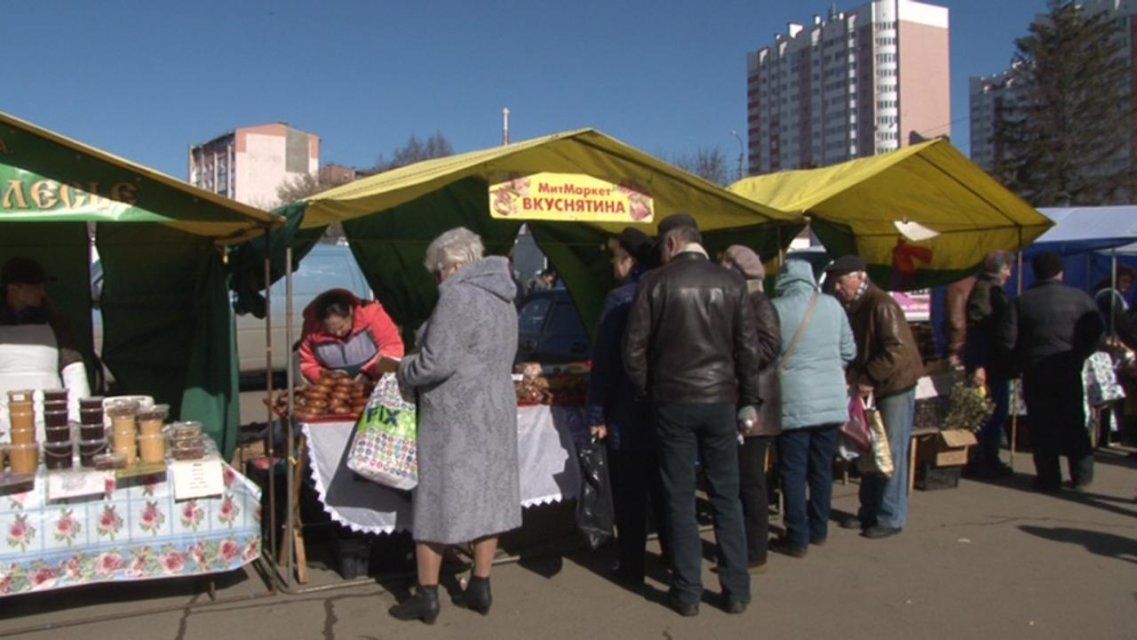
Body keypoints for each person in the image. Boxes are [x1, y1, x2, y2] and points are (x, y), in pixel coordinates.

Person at [624, 213, 760, 616]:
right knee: (726, 496)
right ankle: (736, 590)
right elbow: (748, 349)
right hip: (721, 401)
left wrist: (649, 391)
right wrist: (748, 398)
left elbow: (633, 351)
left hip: (672, 401)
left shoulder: (654, 283)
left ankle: (687, 592)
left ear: (671, 243)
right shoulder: (732, 282)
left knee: (679, 498)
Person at [390, 227, 521, 624]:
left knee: (435, 506)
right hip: (496, 412)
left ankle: (427, 597)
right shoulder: (504, 298)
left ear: (454, 266)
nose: (437, 279)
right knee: (489, 499)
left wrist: (402, 368)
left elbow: (435, 364)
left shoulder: (457, 296)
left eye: (437, 271)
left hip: (455, 418)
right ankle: (480, 586)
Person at [586, 227, 667, 586]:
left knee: (630, 493)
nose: (611, 265)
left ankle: (632, 564)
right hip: (668, 408)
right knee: (666, 489)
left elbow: (605, 362)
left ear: (628, 261)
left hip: (628, 410)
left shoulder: (621, 300)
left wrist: (596, 412)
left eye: (615, 258)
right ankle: (675, 557)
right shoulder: (669, 290)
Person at [827, 255, 924, 539]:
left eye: (841, 282)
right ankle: (868, 510)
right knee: (869, 448)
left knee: (890, 451)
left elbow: (896, 350)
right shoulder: (858, 305)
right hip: (876, 384)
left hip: (894, 385)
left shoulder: (881, 304)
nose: (837, 288)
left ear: (859, 277)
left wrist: (868, 377)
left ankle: (891, 515)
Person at [770, 259, 856, 556]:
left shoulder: (776, 308)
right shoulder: (833, 305)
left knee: (793, 472)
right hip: (831, 401)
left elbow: (767, 354)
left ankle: (797, 536)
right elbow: (849, 351)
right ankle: (819, 529)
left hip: (793, 400)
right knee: (822, 469)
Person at [1012, 251, 1103, 493]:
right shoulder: (1080, 299)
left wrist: (1019, 361)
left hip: (1036, 370)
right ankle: (1082, 475)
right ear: (1061, 273)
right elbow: (1097, 332)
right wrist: (1080, 355)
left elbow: (1009, 338)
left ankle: (1048, 478)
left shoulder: (1022, 301)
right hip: (1068, 367)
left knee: (1042, 425)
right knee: (1074, 421)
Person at [719, 245, 781, 572]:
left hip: (757, 404)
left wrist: (735, 354)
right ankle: (746, 547)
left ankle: (755, 552)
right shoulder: (745, 301)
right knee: (743, 479)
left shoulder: (758, 303)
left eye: (725, 265)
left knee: (751, 480)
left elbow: (770, 347)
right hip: (748, 400)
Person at [0, 257, 91, 432]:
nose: (42, 293)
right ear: (13, 288)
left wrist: (76, 418)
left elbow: (73, 368)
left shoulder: (56, 322)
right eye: (36, 287)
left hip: (50, 419)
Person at [964, 251, 1016, 477]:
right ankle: (982, 460)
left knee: (994, 413)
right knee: (987, 414)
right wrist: (979, 364)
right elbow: (978, 331)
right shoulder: (985, 292)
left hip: (994, 362)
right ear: (999, 269)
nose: (1010, 273)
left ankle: (989, 458)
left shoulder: (990, 290)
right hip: (989, 363)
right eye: (1007, 268)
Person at [297, 288, 404, 384]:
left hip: (377, 381)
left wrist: (368, 374)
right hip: (337, 389)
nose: (338, 333)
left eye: (341, 327)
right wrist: (325, 378)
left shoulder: (372, 314)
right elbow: (307, 363)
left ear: (350, 311)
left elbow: (392, 347)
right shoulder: (311, 329)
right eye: (330, 331)